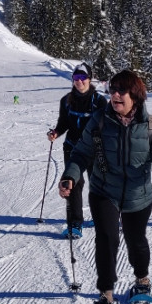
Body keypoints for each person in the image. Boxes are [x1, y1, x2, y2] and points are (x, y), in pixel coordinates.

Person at [59, 70, 152, 304]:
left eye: (121, 91)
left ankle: (142, 281)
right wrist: (70, 175)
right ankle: (105, 295)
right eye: (112, 90)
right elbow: (81, 153)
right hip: (104, 191)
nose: (115, 95)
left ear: (135, 95)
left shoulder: (151, 124)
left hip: (138, 195)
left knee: (136, 240)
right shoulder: (100, 121)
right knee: (106, 239)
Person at [47, 65, 107, 238]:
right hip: (73, 148)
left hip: (95, 149)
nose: (79, 81)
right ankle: (75, 223)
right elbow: (63, 123)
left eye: (83, 77)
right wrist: (56, 133)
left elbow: (107, 126)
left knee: (99, 184)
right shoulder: (66, 100)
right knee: (73, 183)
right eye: (76, 77)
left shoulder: (99, 101)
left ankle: (102, 216)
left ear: (89, 79)